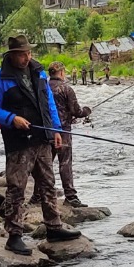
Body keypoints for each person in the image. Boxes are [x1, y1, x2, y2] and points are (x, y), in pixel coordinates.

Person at [0, 34, 79, 254]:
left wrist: (56, 129)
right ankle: (14, 236)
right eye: (22, 54)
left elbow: (49, 104)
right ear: (12, 55)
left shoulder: (39, 73)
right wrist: (11, 119)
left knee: (47, 183)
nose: (27, 57)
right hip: (18, 142)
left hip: (43, 138)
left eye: (28, 53)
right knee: (16, 188)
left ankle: (53, 227)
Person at [45, 62, 93, 209]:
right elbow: (77, 111)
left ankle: (38, 195)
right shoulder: (66, 89)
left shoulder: (43, 88)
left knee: (45, 165)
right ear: (61, 72)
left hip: (45, 130)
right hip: (63, 131)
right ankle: (70, 197)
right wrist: (87, 111)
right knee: (65, 163)